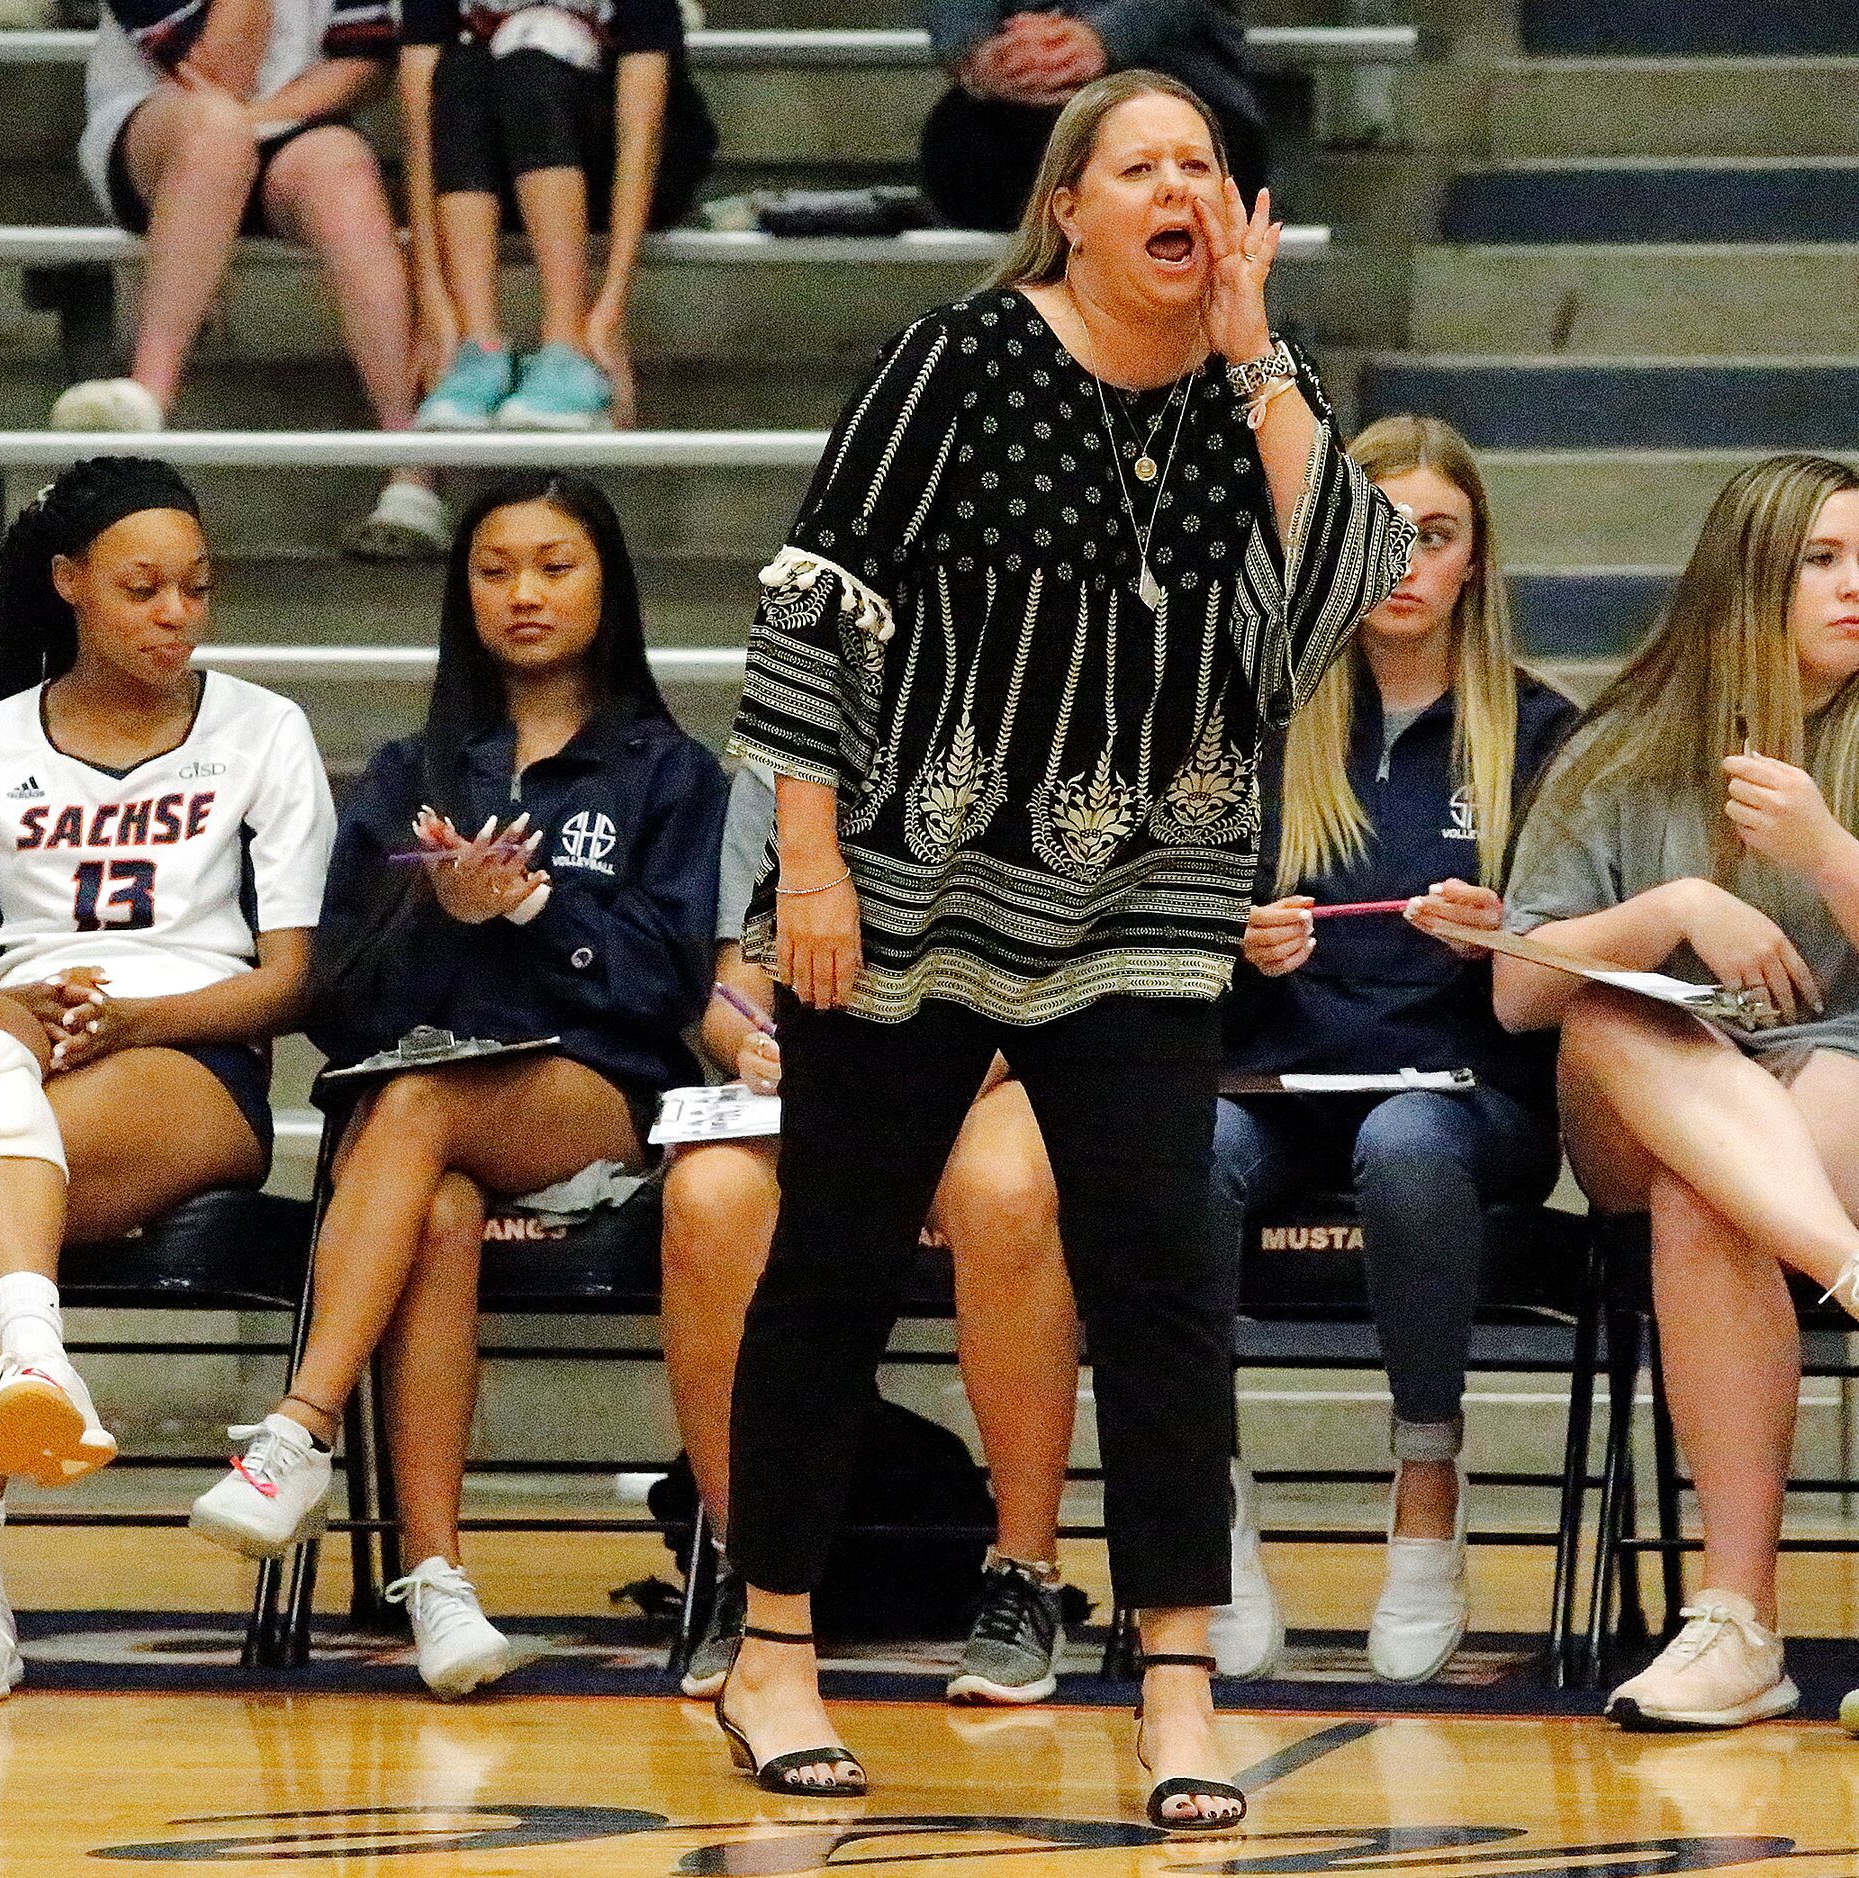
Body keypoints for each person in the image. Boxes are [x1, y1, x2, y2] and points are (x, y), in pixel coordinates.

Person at [713, 71, 1411, 1826]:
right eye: (1145, 167)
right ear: (1073, 208)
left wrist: (1257, 360)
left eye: (1207, 166)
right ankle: (772, 1648)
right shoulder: (955, 357)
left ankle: (1175, 1681)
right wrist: (807, 861)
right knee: (838, 1261)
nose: (1185, 189)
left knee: (1165, 1279)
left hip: (1148, 897)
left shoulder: (1265, 394)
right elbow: (812, 601)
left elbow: (1327, 608)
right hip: (909, 877)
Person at [186, 471, 726, 1697]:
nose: (523, 593)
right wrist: (439, 913)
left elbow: (666, 988)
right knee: (425, 1192)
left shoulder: (668, 773)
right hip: (418, 1109)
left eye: (553, 565)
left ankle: (296, 1430)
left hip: (592, 1097)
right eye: (493, 570)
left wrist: (534, 907)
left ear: (607, 585)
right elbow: (339, 999)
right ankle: (435, 1583)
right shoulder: (409, 771)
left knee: (416, 1109)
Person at [0, 457, 333, 1704]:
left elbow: (293, 981)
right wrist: (11, 1007)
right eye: (143, 589)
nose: (176, 613)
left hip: (189, 1057)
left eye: (195, 588)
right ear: (71, 585)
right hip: (15, 1055)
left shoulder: (262, 732)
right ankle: (32, 1358)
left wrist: (137, 1020)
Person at [1486, 452, 1859, 1732]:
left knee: (1709, 1205)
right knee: (1603, 1001)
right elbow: (1516, 995)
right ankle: (1849, 1268)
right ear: (1746, 577)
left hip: (1836, 1074)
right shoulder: (1621, 753)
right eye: (1820, 559)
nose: (1853, 587)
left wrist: (1822, 847)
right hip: (1641, 1086)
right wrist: (1671, 909)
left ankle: (1738, 1628)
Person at [1209, 414, 1576, 1685]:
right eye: (1376, 534)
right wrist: (1231, 948)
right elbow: (1153, 944)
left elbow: (1586, 963)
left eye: (1435, 536)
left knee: (1407, 1141)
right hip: (1273, 1082)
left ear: (1474, 560)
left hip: (1464, 1101)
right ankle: (1208, 1500)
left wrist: (1509, 941)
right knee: (1181, 1150)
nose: (1405, 563)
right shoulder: (1256, 722)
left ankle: (1427, 1473)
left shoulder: (1540, 734)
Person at [660, 758, 1081, 1706]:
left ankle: (1021, 1572)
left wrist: (925, 1087)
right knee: (709, 1197)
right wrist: (750, 1046)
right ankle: (749, 1568)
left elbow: (1076, 975)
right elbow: (736, 983)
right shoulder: (778, 757)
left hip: (1006, 1057)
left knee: (1004, 1192)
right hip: (831, 1073)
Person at [55, 0, 447, 561]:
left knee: (342, 164)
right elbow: (220, 70)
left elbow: (363, 62)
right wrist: (242, 126)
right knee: (216, 133)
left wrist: (265, 121)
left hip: (287, 123)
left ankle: (412, 466)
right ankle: (145, 403)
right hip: (164, 125)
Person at [401, 0, 718, 431]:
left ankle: (567, 347)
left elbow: (640, 133)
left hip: (624, 158)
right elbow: (420, 127)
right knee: (459, 71)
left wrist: (608, 310)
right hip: (502, 164)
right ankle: (478, 347)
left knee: (528, 70)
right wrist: (434, 297)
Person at [918, 2, 1268, 232]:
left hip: (1184, 78)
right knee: (966, 151)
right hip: (1015, 109)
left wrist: (1100, 39)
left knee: (1187, 148)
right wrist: (985, 52)